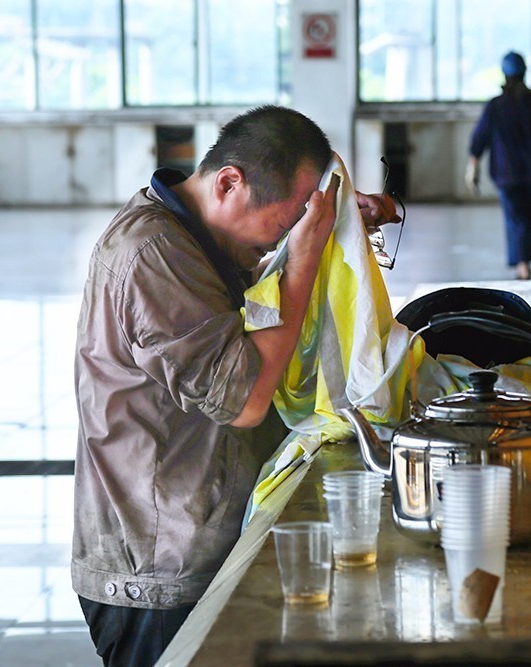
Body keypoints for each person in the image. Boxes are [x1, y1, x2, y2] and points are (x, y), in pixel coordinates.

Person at [72, 105, 399, 667]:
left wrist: (344, 219)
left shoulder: (197, 236)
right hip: (159, 569)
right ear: (228, 182)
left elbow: (254, 298)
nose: (290, 237)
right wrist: (302, 261)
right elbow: (244, 400)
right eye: (285, 223)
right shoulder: (154, 254)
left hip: (203, 538)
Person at [466, 50, 531, 281]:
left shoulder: (495, 107)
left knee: (515, 218)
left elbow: (479, 139)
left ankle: (522, 263)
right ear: (525, 73)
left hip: (506, 175)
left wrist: (473, 167)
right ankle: (526, 260)